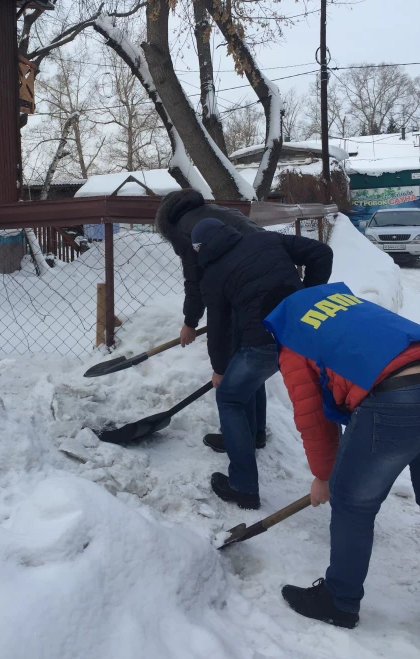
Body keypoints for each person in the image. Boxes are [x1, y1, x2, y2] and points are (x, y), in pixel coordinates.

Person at [261, 282, 420, 629]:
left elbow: (313, 418)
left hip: (397, 398)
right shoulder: (344, 304)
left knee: (353, 505)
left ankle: (339, 601)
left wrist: (324, 476)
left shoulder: (294, 340)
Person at [191, 218, 332, 510]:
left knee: (229, 398)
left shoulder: (213, 274)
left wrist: (219, 369)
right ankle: (251, 437)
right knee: (247, 379)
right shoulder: (264, 238)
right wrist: (303, 301)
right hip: (299, 334)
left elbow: (217, 327)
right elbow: (322, 253)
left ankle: (243, 486)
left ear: (202, 248)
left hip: (262, 342)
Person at [155, 188, 270, 450]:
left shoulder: (189, 230)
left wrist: (190, 323)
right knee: (250, 362)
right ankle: (256, 432)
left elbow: (195, 281)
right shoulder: (216, 211)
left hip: (246, 290)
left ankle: (243, 437)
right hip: (270, 285)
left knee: (239, 364)